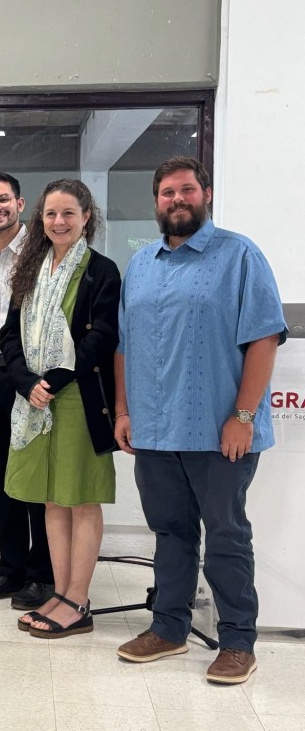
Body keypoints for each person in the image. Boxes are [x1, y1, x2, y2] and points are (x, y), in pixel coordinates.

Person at [115, 157, 285, 684]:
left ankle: (237, 641)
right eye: (167, 192)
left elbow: (264, 337)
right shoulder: (141, 264)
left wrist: (243, 416)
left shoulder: (240, 255)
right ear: (156, 201)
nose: (177, 199)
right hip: (155, 429)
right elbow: (123, 345)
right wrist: (123, 410)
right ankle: (168, 628)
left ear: (205, 194)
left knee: (226, 536)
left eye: (187, 189)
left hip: (219, 431)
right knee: (170, 532)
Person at [0, 178, 120, 639]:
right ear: (41, 219)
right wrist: (26, 382)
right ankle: (61, 590)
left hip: (77, 400)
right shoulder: (31, 268)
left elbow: (102, 336)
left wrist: (51, 381)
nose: (59, 221)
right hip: (35, 401)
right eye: (51, 213)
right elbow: (9, 334)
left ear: (86, 217)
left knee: (81, 499)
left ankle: (79, 600)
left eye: (69, 213)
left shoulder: (101, 271)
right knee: (52, 499)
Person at [0, 173, 55, 610]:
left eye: (3, 199)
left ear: (20, 204)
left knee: (34, 476)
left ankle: (43, 573)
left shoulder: (42, 255)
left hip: (30, 379)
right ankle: (11, 566)